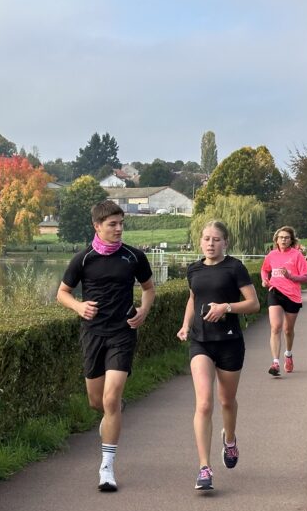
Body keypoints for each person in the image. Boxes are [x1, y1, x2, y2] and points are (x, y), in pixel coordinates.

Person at [57, 200, 156, 492]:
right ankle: (113, 411)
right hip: (93, 334)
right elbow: (62, 294)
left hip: (122, 332)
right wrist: (78, 306)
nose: (118, 229)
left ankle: (107, 467)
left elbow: (149, 289)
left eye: (121, 224)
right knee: (96, 402)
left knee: (111, 400)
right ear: (97, 226)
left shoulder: (134, 256)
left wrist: (143, 310)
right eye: (112, 224)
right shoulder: (83, 259)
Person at [176, 221, 259, 491]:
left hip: (230, 342)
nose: (210, 244)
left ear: (225, 243)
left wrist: (227, 307)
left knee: (226, 400)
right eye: (206, 239)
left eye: (216, 239)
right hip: (201, 342)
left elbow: (254, 304)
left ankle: (230, 439)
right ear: (200, 241)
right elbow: (193, 298)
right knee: (204, 404)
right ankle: (204, 468)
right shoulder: (194, 269)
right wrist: (186, 325)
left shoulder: (235, 268)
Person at [261, 226, 307, 376]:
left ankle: (288, 355)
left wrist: (290, 276)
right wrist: (264, 280)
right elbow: (264, 269)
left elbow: (306, 277)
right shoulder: (271, 255)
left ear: (291, 240)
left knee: (288, 330)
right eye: (281, 237)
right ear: (276, 239)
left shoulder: (297, 256)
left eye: (287, 238)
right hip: (275, 292)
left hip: (292, 296)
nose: (283, 240)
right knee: (275, 327)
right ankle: (275, 363)